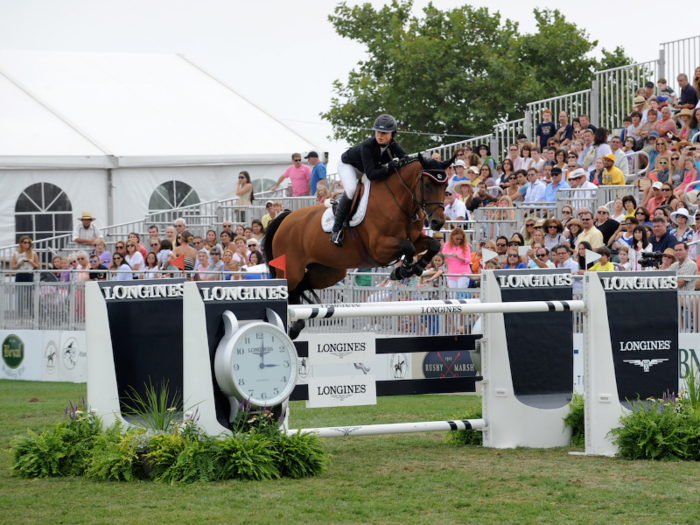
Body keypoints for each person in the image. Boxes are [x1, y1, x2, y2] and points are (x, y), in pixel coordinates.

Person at [330, 114, 409, 246]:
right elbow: (372, 175)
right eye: (378, 131)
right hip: (349, 166)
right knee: (351, 189)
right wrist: (389, 168)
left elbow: (405, 160)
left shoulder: (394, 145)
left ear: (392, 134)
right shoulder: (368, 146)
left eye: (384, 133)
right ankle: (336, 230)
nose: (380, 135)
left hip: (366, 169)